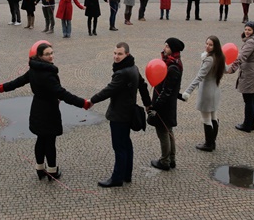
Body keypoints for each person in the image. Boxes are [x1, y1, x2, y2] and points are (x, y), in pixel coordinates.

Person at [0, 43, 91, 181]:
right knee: (50, 141)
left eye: (52, 53)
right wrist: (82, 103)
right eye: (47, 54)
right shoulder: (47, 74)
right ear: (40, 56)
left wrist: (3, 87)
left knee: (41, 139)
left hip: (37, 108)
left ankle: (40, 169)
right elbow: (62, 93)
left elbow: (19, 82)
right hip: (49, 110)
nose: (51, 56)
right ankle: (52, 170)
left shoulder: (34, 69)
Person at [90, 42, 151, 187]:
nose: (116, 57)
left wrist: (91, 100)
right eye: (115, 53)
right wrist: (148, 103)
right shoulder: (133, 68)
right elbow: (143, 86)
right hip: (128, 112)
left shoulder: (122, 73)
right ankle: (126, 174)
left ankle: (117, 178)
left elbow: (108, 90)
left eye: (120, 54)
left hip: (119, 115)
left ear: (127, 55)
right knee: (126, 144)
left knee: (119, 147)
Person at [182, 36, 226, 152]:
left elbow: (199, 77)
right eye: (206, 43)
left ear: (215, 46)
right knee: (213, 117)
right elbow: (227, 69)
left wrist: (188, 91)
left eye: (210, 44)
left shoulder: (209, 59)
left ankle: (209, 144)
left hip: (207, 92)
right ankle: (212, 142)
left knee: (207, 119)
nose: (207, 46)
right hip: (215, 90)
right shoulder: (219, 57)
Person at [149, 38, 184, 171]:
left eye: (167, 46)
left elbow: (167, 90)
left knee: (163, 132)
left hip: (165, 105)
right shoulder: (172, 63)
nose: (164, 48)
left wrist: (156, 106)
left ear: (173, 49)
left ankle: (164, 161)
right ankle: (171, 159)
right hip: (167, 104)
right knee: (169, 131)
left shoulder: (173, 67)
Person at [226, 21, 254, 132]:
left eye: (249, 30)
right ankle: (251, 123)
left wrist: (232, 69)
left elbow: (241, 57)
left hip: (249, 73)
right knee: (253, 98)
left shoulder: (250, 42)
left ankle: (247, 125)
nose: (247, 32)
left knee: (248, 99)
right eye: (246, 29)